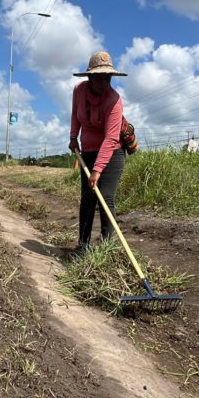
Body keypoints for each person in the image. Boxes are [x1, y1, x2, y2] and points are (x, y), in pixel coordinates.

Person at [68, 50, 127, 252]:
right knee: (87, 199)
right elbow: (75, 115)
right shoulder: (79, 91)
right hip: (88, 151)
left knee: (105, 196)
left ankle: (106, 248)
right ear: (90, 77)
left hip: (113, 153)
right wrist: (73, 137)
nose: (104, 83)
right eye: (99, 78)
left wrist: (97, 169)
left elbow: (111, 138)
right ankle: (82, 245)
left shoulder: (114, 100)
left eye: (107, 78)